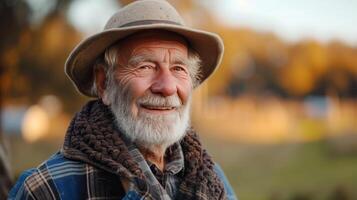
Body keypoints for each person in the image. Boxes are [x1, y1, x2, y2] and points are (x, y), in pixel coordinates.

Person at [9, 0, 237, 199]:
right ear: (104, 83)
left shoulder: (213, 182)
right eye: (145, 66)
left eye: (179, 68)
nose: (167, 87)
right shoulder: (48, 189)